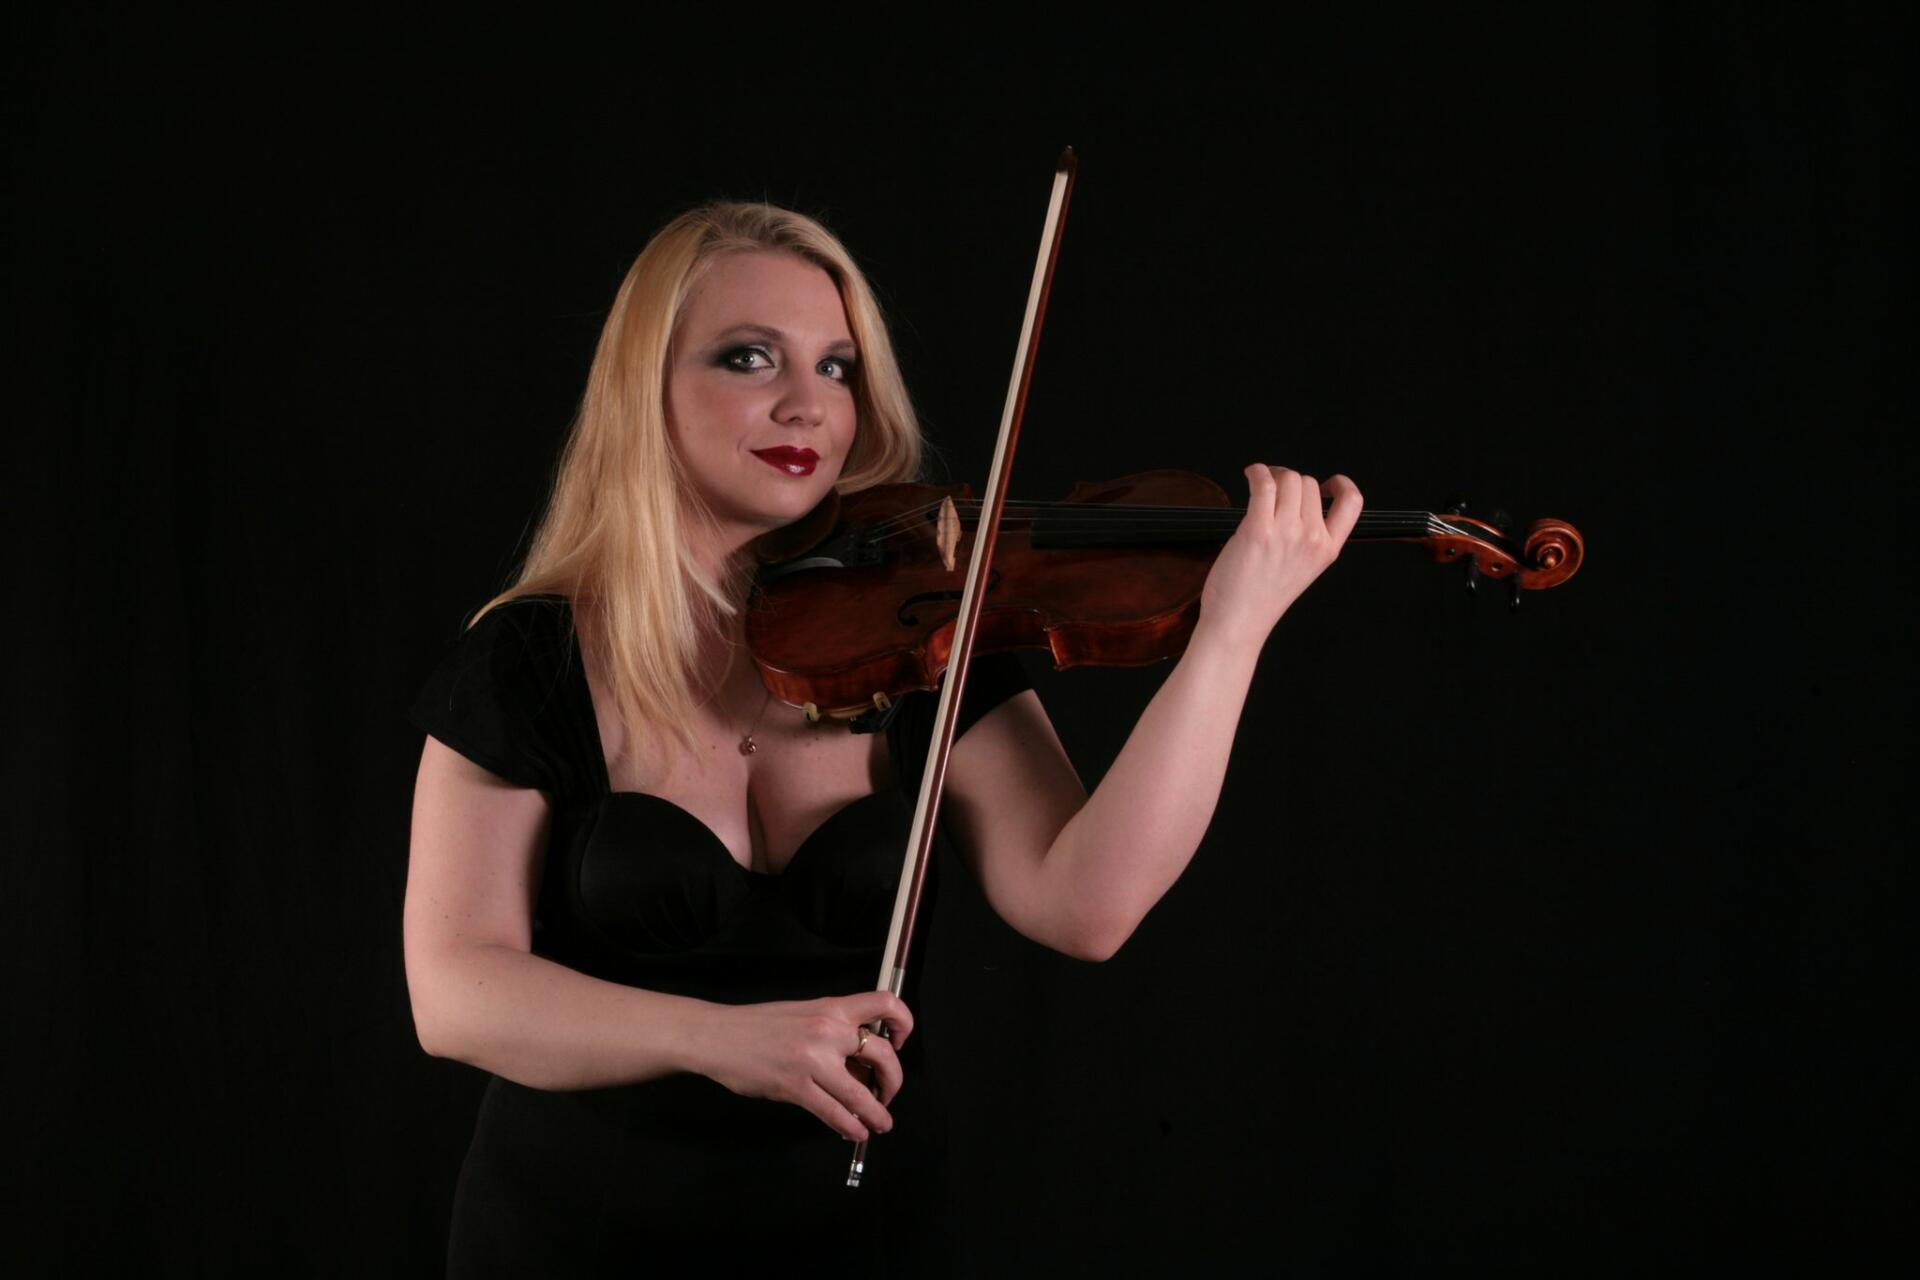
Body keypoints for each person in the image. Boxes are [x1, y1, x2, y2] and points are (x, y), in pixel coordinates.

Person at [403, 202, 1362, 1273]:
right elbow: (454, 991)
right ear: (645, 386)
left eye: (838, 367)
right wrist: (723, 1038)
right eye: (749, 357)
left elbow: (1085, 903)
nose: (808, 403)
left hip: (864, 1235)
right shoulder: (528, 659)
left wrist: (1230, 635)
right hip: (573, 1240)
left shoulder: (924, 632)